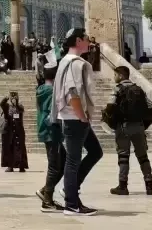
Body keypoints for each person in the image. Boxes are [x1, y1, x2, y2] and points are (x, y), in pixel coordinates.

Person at [50, 28, 102, 216]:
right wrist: (82, 116)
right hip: (74, 118)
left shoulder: (67, 61)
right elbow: (72, 93)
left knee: (95, 151)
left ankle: (70, 189)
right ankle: (71, 204)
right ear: (78, 41)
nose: (90, 42)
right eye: (87, 38)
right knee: (73, 160)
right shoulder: (74, 64)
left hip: (74, 118)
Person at [108, 66, 152, 196]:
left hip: (123, 127)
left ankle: (122, 186)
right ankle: (149, 186)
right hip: (139, 127)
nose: (114, 77)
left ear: (121, 76)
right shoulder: (139, 90)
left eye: (115, 75)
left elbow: (110, 108)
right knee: (143, 156)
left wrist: (112, 123)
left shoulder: (117, 89)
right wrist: (144, 125)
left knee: (123, 157)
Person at [35, 59, 65, 212]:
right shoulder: (51, 92)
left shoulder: (41, 89)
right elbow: (50, 115)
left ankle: (45, 191)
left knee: (62, 161)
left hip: (47, 131)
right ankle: (47, 200)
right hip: (52, 132)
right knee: (54, 166)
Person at [1, 92, 28, 173]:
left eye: (15, 97)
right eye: (12, 97)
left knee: (20, 149)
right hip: (9, 131)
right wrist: (6, 98)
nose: (13, 99)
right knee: (10, 148)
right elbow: (2, 104)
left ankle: (21, 166)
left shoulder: (20, 107)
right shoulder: (7, 107)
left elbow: (21, 110)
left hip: (19, 131)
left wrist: (16, 104)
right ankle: (10, 166)